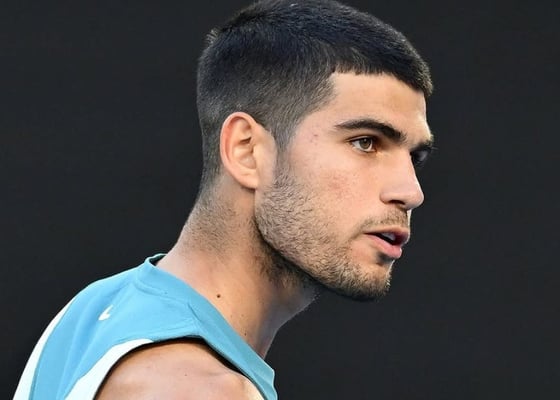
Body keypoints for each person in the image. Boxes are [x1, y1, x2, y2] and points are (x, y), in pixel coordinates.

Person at [14, 0, 434, 398]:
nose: (410, 192)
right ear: (246, 150)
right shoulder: (198, 390)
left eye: (414, 157)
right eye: (365, 142)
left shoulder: (99, 307)